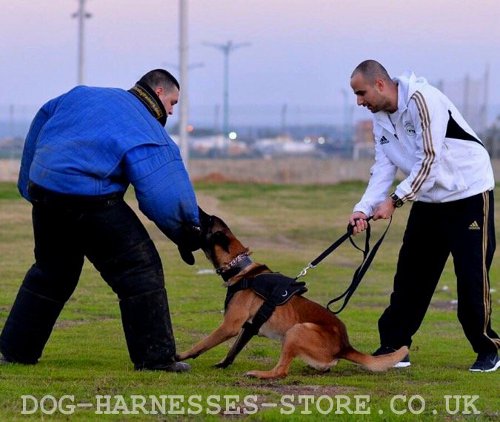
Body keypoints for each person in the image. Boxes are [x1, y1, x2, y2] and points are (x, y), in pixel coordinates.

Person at [0, 69, 201, 372]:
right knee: (140, 270)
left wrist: (29, 184)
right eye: (172, 103)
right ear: (158, 93)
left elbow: (40, 124)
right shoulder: (145, 126)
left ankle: (15, 351)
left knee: (52, 273)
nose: (172, 111)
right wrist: (186, 230)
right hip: (90, 200)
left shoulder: (82, 95)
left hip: (46, 194)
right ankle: (155, 359)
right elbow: (162, 187)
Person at [348, 59, 499, 372]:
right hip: (428, 200)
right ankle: (395, 346)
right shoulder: (380, 117)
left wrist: (395, 200)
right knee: (411, 277)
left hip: (468, 193)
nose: (359, 101)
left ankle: (489, 349)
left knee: (471, 278)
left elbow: (429, 160)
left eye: (361, 93)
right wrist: (362, 207)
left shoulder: (423, 99)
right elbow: (384, 166)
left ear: (379, 84)